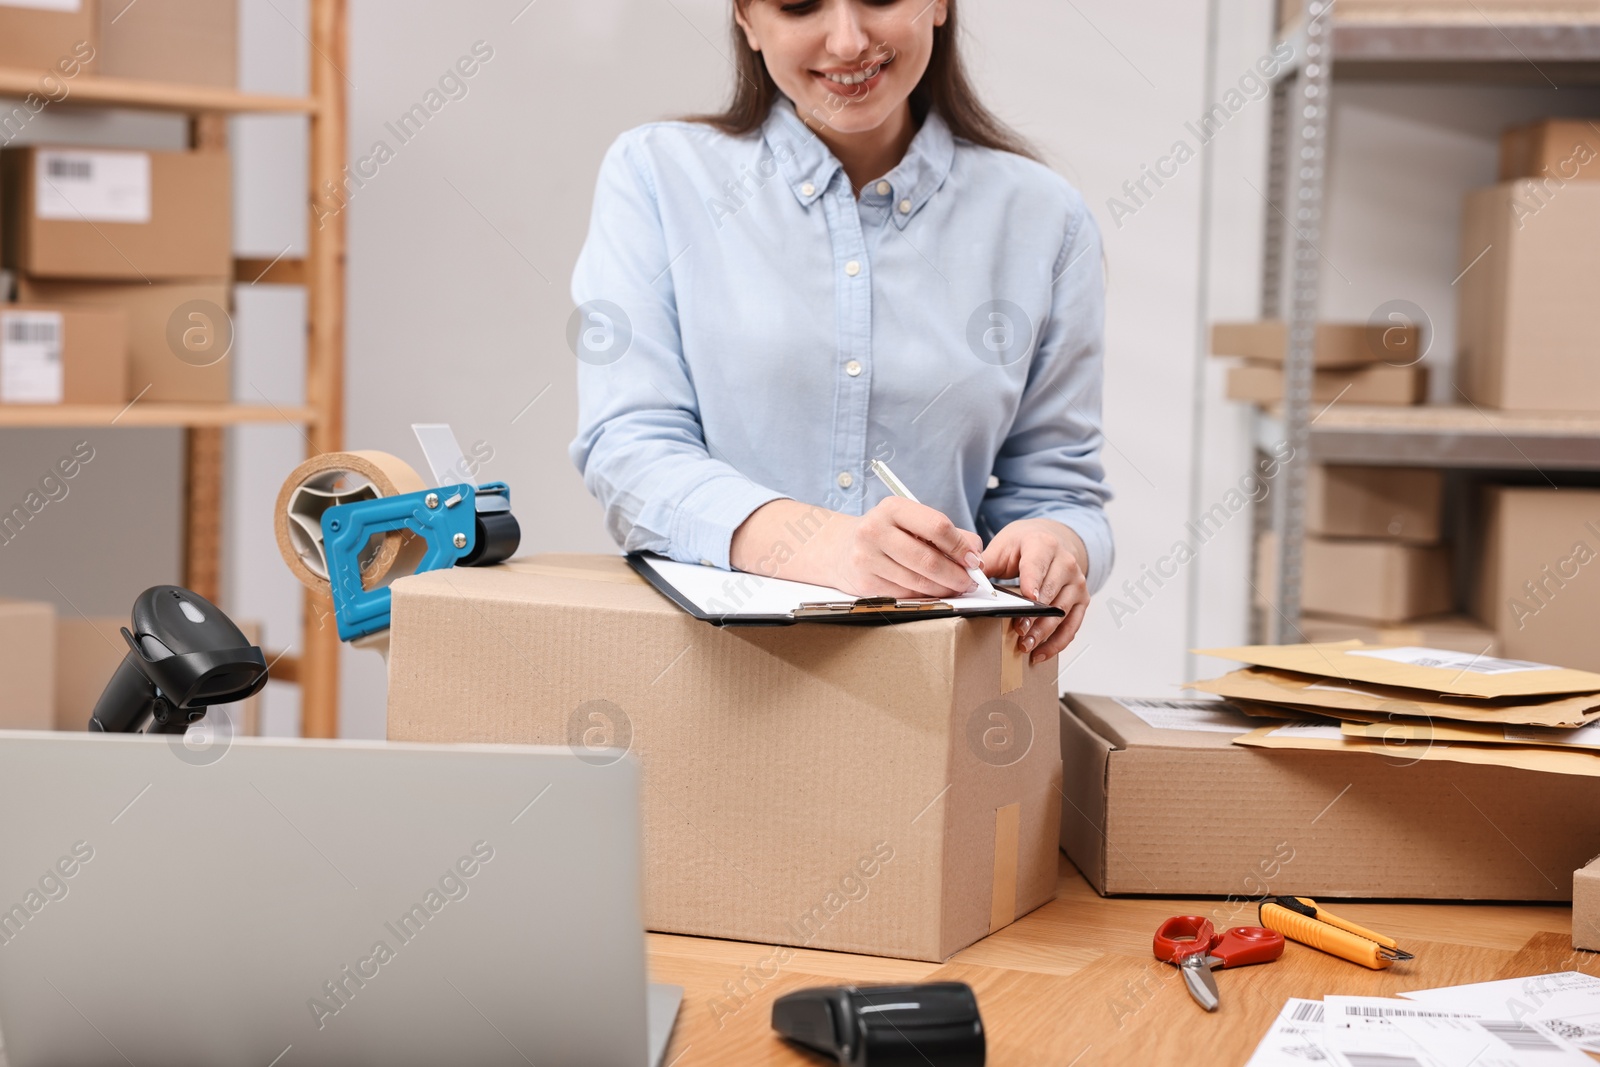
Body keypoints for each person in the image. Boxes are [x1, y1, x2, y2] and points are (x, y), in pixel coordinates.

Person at [569, 0, 1111, 664]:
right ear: (745, 17)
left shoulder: (1045, 219)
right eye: (800, 5)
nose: (849, 40)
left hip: (939, 692)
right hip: (712, 681)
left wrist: (1056, 542)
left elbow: (1062, 490)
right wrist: (826, 548)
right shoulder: (658, 175)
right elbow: (629, 450)